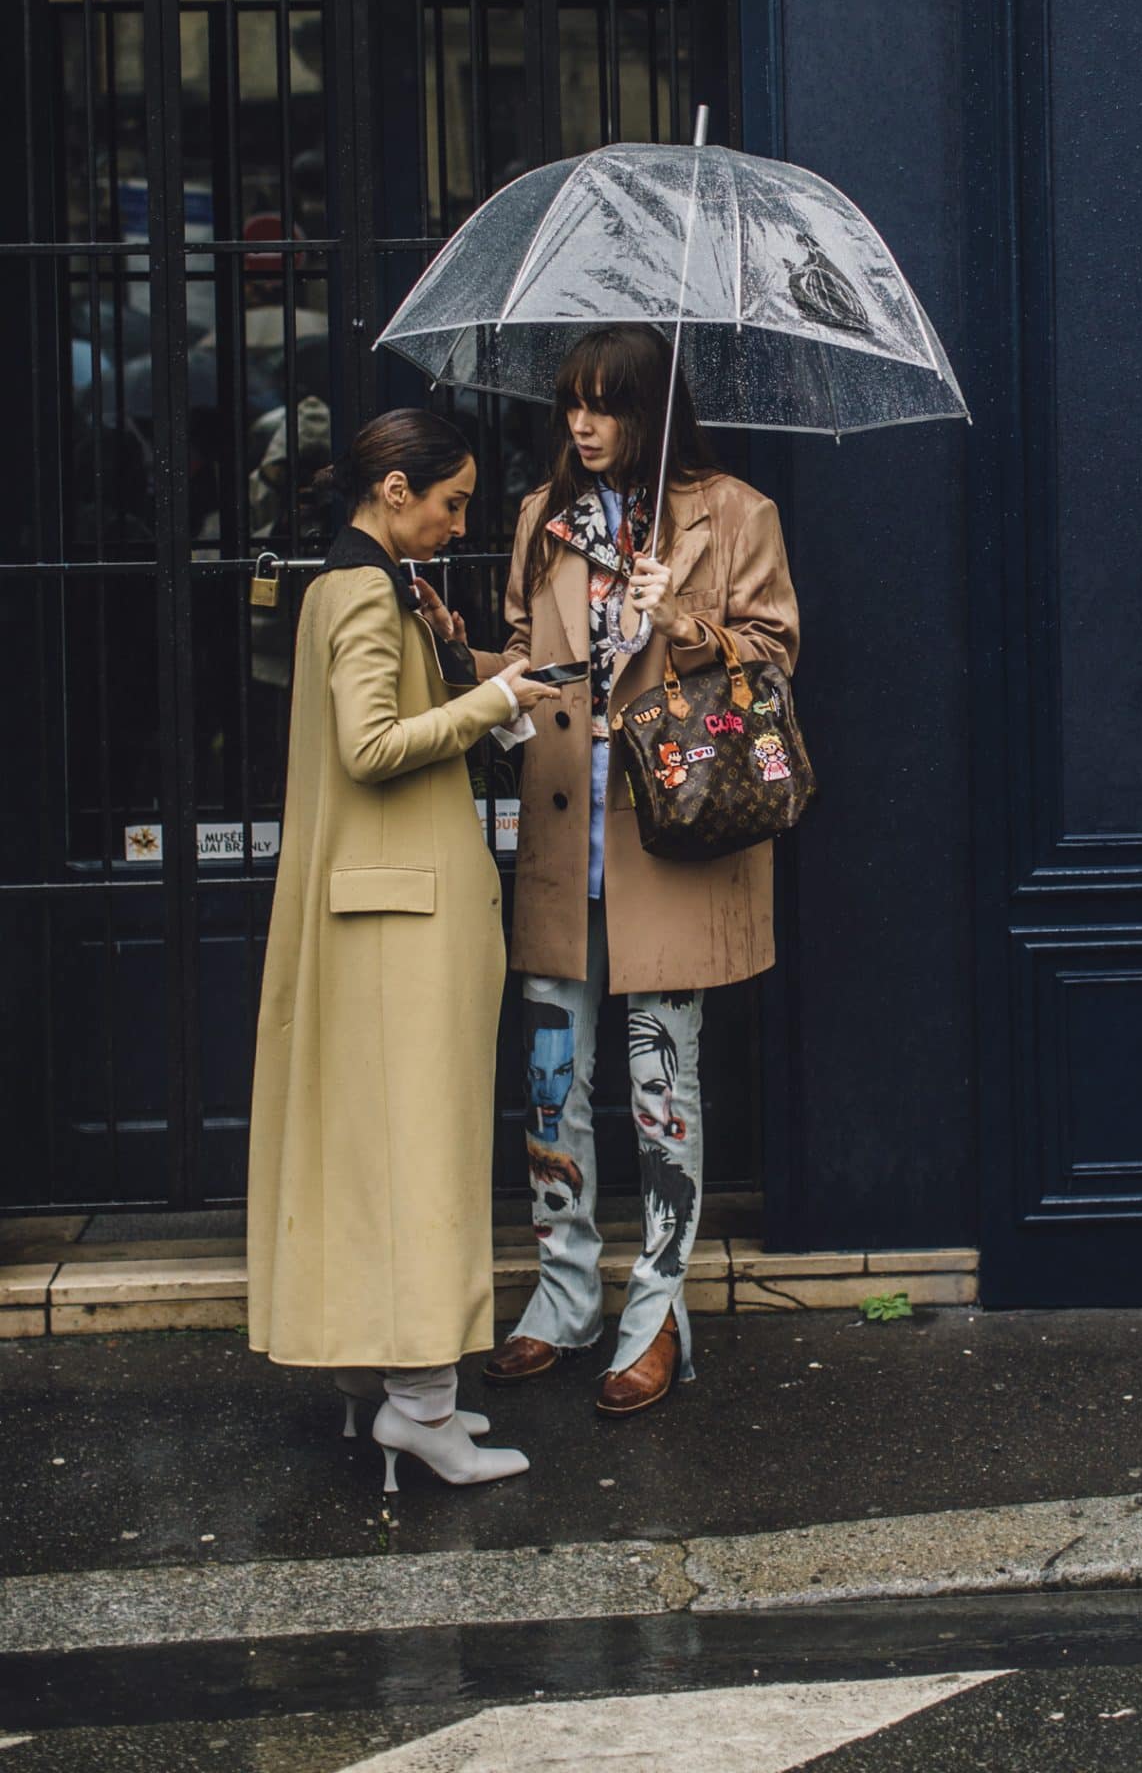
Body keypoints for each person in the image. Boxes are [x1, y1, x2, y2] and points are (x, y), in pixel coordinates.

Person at [481, 324, 800, 1414]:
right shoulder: (542, 517)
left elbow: (779, 650)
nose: (584, 423)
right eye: (573, 401)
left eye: (607, 404)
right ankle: (561, 1294)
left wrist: (688, 625)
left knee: (664, 1090)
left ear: (650, 410)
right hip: (566, 844)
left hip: (673, 839)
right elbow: (530, 664)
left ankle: (655, 1311)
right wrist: (460, 654)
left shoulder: (733, 511)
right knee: (550, 1083)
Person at [247, 408, 557, 1489]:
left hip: (387, 910)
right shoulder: (361, 593)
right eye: (451, 500)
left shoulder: (371, 589)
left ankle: (380, 1387)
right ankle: (419, 1406)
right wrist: (491, 699)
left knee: (376, 1152)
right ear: (393, 491)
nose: (456, 520)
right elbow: (372, 746)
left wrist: (460, 652)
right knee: (420, 1152)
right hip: (401, 922)